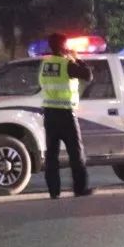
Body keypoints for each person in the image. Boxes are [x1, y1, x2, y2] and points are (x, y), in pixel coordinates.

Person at [39, 32, 94, 198]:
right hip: (66, 115)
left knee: (52, 154)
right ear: (63, 46)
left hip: (49, 114)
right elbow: (88, 76)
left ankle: (54, 192)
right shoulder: (67, 64)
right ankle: (80, 188)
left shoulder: (45, 64)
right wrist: (76, 58)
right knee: (76, 153)